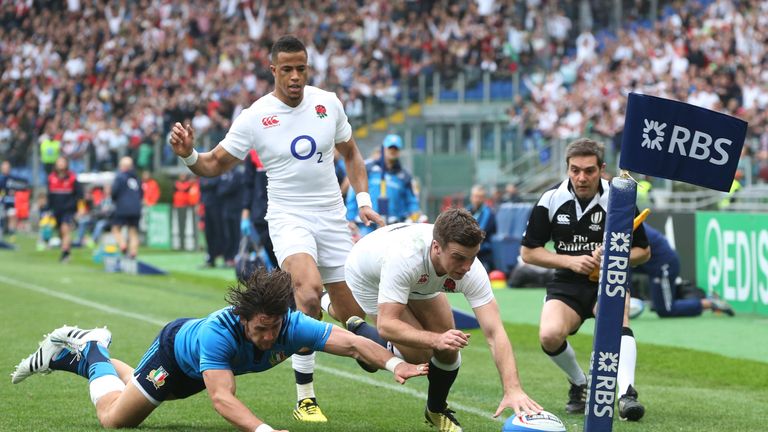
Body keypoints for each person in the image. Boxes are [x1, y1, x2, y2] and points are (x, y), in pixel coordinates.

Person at [168, 35, 383, 421]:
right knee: (307, 291)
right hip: (287, 217)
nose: (296, 76)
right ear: (273, 70)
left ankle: (336, 307)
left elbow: (351, 152)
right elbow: (215, 163)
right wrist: (189, 155)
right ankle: (306, 397)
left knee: (361, 335)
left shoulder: (328, 103)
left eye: (301, 68)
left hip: (332, 216)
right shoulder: (255, 116)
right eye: (287, 70)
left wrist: (363, 202)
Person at [11, 268, 428, 432]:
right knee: (114, 420)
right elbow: (222, 397)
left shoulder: (293, 325)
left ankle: (89, 351)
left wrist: (394, 363)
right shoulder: (219, 334)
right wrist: (265, 431)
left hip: (198, 369)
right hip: (176, 355)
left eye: (275, 328)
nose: (269, 338)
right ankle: (88, 351)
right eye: (261, 330)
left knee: (131, 389)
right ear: (244, 319)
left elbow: (354, 342)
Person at [342, 208, 542, 432]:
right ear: (437, 248)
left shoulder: (470, 268)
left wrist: (513, 388)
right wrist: (434, 340)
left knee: (449, 347)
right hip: (368, 273)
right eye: (458, 257)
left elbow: (494, 332)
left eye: (472, 257)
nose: (466, 267)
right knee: (419, 354)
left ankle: (435, 410)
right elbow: (388, 324)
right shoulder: (405, 259)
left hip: (420, 276)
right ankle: (361, 335)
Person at [519, 138, 651, 421]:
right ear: (567, 169)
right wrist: (571, 261)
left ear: (602, 169)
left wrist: (613, 260)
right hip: (567, 282)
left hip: (608, 279)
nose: (581, 177)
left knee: (616, 322)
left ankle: (626, 395)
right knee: (549, 335)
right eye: (575, 170)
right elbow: (529, 253)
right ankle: (580, 383)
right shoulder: (551, 199)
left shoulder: (620, 198)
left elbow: (643, 252)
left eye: (589, 170)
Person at [636, 224, 734, 318]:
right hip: (651, 265)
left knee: (666, 310)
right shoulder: (627, 223)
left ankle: (709, 302)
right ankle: (702, 296)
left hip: (664, 266)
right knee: (660, 305)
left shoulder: (632, 226)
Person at [346, 133, 421, 236]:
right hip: (367, 225)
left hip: (393, 227)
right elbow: (354, 191)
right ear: (383, 148)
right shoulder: (368, 168)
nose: (392, 151)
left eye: (396, 149)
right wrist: (350, 218)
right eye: (390, 148)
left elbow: (412, 202)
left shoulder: (405, 176)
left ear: (399, 151)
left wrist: (413, 218)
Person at [241, 150, 279, 269]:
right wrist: (245, 215)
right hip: (261, 214)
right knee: (270, 249)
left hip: (283, 211)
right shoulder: (253, 155)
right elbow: (248, 185)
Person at [47, 156, 83, 262]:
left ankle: (64, 253)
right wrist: (48, 210)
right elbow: (50, 196)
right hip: (56, 210)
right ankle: (67, 251)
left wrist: (80, 209)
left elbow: (80, 195)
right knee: (61, 232)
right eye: (59, 162)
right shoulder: (51, 178)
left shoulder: (72, 178)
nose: (61, 164)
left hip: (69, 209)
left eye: (63, 162)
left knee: (65, 228)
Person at [111, 157, 143, 259]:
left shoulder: (120, 177)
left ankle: (123, 245)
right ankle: (133, 252)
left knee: (116, 229)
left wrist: (115, 200)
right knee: (133, 231)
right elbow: (141, 193)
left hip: (122, 207)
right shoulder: (136, 178)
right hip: (136, 208)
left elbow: (114, 192)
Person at [466, 184, 496, 271]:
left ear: (484, 198)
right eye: (475, 196)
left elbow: (480, 233)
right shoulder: (466, 210)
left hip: (484, 254)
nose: (477, 199)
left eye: (480, 197)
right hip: (468, 251)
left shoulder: (489, 213)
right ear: (471, 197)